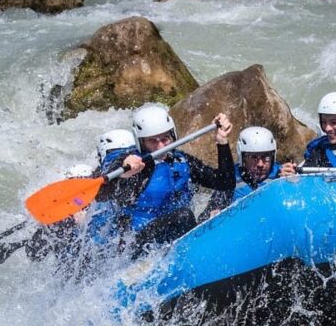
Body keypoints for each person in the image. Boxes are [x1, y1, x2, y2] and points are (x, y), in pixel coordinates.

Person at [95, 105, 235, 257]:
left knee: (212, 209)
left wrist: (222, 142)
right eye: (152, 141)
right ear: (140, 142)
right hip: (136, 243)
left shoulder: (182, 161)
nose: (160, 146)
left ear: (173, 135)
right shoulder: (133, 164)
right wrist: (123, 172)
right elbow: (101, 194)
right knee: (183, 216)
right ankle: (198, 252)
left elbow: (225, 182)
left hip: (173, 235)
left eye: (165, 139)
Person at [198, 126, 297, 220]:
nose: (260, 164)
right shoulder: (229, 179)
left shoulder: (281, 175)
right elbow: (203, 218)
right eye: (253, 157)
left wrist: (291, 183)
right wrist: (213, 216)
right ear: (243, 158)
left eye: (266, 157)